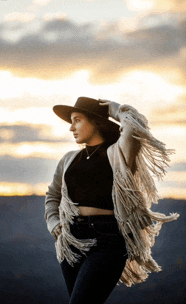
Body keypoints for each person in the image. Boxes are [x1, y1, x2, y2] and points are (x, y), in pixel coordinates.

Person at [44, 97, 179, 304]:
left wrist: (112, 109)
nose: (71, 127)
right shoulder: (68, 159)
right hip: (71, 240)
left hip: (108, 239)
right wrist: (55, 224)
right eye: (71, 121)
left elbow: (134, 124)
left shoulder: (119, 152)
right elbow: (53, 195)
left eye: (77, 120)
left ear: (96, 121)